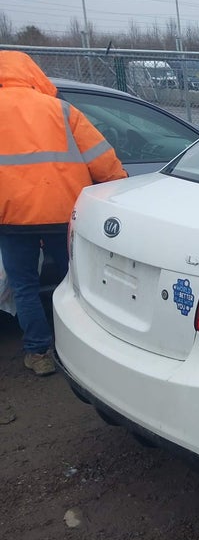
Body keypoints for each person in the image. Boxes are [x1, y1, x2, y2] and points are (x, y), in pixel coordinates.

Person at [0, 50, 127, 376]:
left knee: (24, 287)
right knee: (74, 278)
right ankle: (82, 343)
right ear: (32, 74)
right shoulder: (60, 109)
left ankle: (38, 352)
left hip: (11, 218)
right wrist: (121, 188)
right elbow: (100, 156)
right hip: (64, 213)